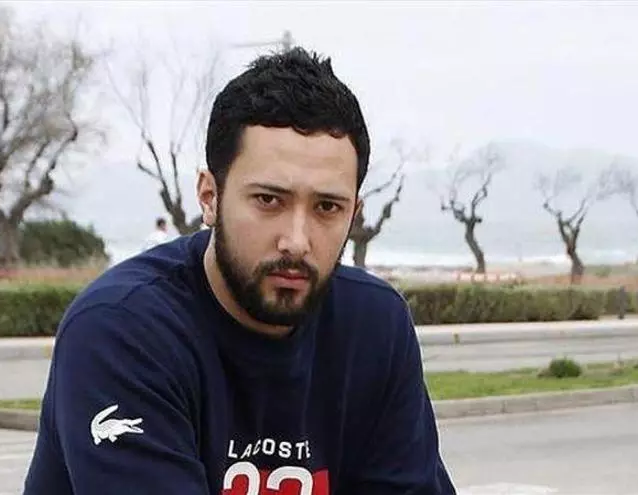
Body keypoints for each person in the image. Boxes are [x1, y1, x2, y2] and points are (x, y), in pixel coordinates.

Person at [23, 47, 456, 494]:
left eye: (327, 207)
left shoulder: (375, 326)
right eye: (269, 200)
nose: (297, 241)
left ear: (354, 213)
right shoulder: (122, 329)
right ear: (209, 197)